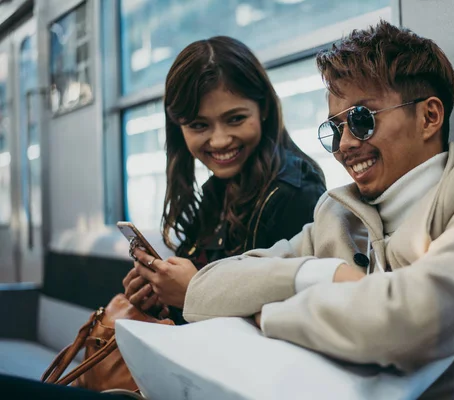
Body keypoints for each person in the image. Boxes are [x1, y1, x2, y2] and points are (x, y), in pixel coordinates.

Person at [137, 21, 454, 399]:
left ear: (429, 116)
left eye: (362, 120)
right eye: (335, 128)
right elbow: (206, 288)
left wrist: (272, 314)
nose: (346, 144)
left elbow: (414, 319)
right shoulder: (336, 212)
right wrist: (320, 273)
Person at [123, 36, 326, 323]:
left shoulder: (295, 192)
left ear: (264, 108)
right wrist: (163, 301)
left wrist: (195, 292)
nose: (219, 140)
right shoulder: (215, 192)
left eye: (235, 119)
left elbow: (295, 317)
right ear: (179, 128)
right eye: (199, 125)